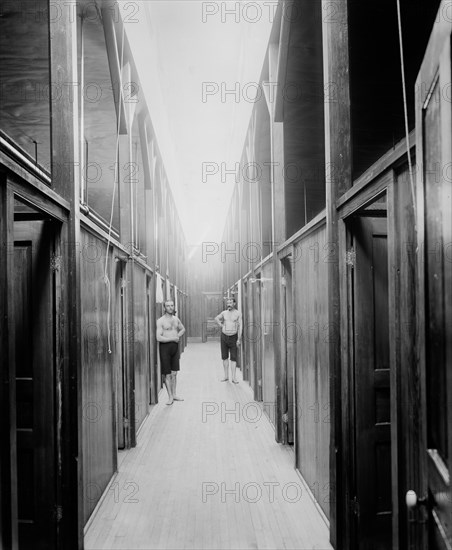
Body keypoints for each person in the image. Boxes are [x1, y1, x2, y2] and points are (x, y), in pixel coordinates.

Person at [156, 299, 186, 405]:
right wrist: (172, 339)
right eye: (168, 306)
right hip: (165, 348)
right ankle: (170, 397)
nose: (170, 307)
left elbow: (183, 329)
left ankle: (174, 394)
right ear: (164, 308)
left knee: (174, 373)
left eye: (172, 305)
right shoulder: (161, 321)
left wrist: (177, 335)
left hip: (175, 348)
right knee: (167, 374)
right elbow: (158, 337)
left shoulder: (176, 319)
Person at [214, 297, 242, 384]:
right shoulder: (224, 313)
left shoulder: (238, 313)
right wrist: (221, 325)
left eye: (230, 302)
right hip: (224, 337)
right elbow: (216, 318)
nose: (229, 304)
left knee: (233, 358)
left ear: (234, 303)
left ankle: (233, 378)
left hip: (233, 337)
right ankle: (226, 376)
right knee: (224, 357)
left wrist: (239, 339)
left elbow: (240, 326)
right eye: (228, 303)